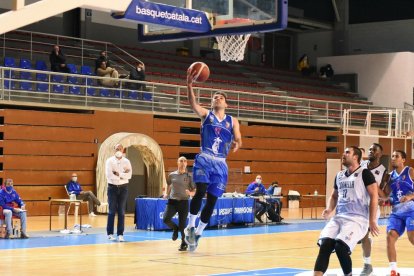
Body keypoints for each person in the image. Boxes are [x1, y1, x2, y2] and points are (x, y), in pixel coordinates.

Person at [184, 67, 242, 251]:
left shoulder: (232, 120)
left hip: (220, 163)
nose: (217, 98)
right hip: (205, 158)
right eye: (215, 97)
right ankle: (191, 225)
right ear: (212, 102)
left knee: (212, 201)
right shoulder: (206, 115)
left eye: (221, 97)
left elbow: (238, 137)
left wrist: (237, 144)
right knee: (200, 191)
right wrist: (189, 85)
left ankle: (199, 232)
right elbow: (193, 103)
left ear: (226, 104)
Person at [313, 146, 379, 276]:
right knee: (325, 244)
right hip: (339, 217)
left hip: (358, 218)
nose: (344, 154)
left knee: (340, 247)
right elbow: (334, 196)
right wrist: (329, 209)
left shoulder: (364, 173)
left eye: (347, 152)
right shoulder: (339, 175)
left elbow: (374, 197)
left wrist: (372, 220)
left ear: (356, 157)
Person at [379, 150, 414, 276]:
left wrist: (410, 196)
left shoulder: (410, 171)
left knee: (412, 238)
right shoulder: (389, 176)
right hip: (396, 212)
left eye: (396, 156)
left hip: (412, 209)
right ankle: (393, 271)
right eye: (392, 156)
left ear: (403, 159)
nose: (393, 158)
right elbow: (385, 196)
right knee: (390, 236)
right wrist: (376, 186)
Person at [359, 143, 388, 276]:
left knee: (364, 234)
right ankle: (364, 239)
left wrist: (373, 185)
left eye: (374, 150)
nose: (370, 151)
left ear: (380, 154)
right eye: (369, 149)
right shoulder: (361, 165)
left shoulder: (383, 171)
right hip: (357, 205)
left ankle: (367, 265)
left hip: (372, 206)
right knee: (362, 236)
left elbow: (384, 196)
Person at [163, 156, 196, 251]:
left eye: (185, 161)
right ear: (177, 163)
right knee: (166, 219)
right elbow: (168, 184)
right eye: (181, 161)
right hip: (172, 202)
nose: (183, 162)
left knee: (182, 225)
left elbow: (194, 190)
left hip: (184, 202)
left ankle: (183, 243)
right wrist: (166, 193)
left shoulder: (189, 177)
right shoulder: (171, 175)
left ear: (186, 164)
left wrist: (190, 193)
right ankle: (175, 229)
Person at [105, 144, 132, 242]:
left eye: (120, 149)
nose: (118, 150)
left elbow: (129, 176)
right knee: (112, 211)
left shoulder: (127, 161)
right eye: (116, 149)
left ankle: (120, 234)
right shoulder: (109, 161)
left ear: (123, 150)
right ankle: (110, 233)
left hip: (123, 188)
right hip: (112, 188)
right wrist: (123, 175)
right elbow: (109, 175)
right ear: (114, 150)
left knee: (121, 211)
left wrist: (119, 174)